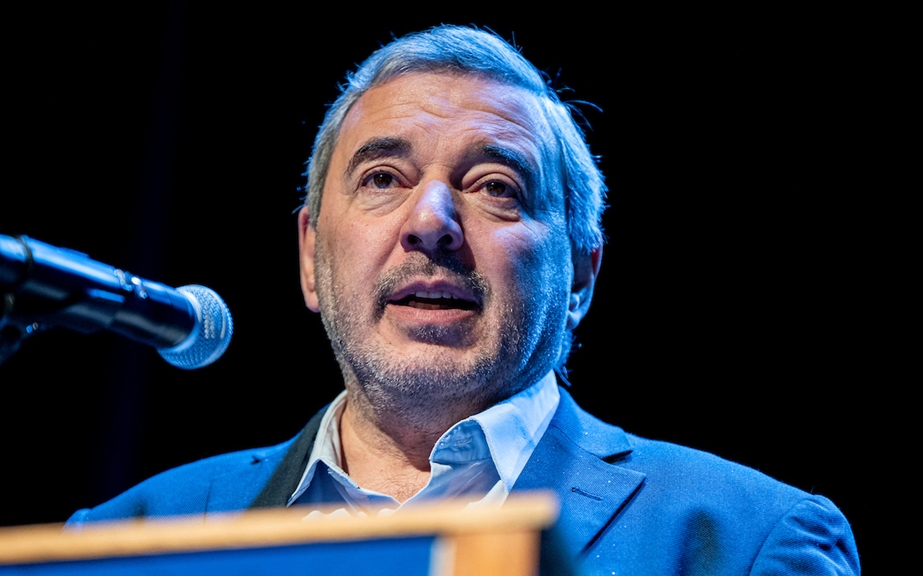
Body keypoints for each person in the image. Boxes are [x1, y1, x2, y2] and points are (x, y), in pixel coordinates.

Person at [68, 26, 859, 575]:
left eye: (495, 187)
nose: (431, 224)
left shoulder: (745, 541)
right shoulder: (125, 540)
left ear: (580, 275)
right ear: (311, 257)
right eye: (383, 179)